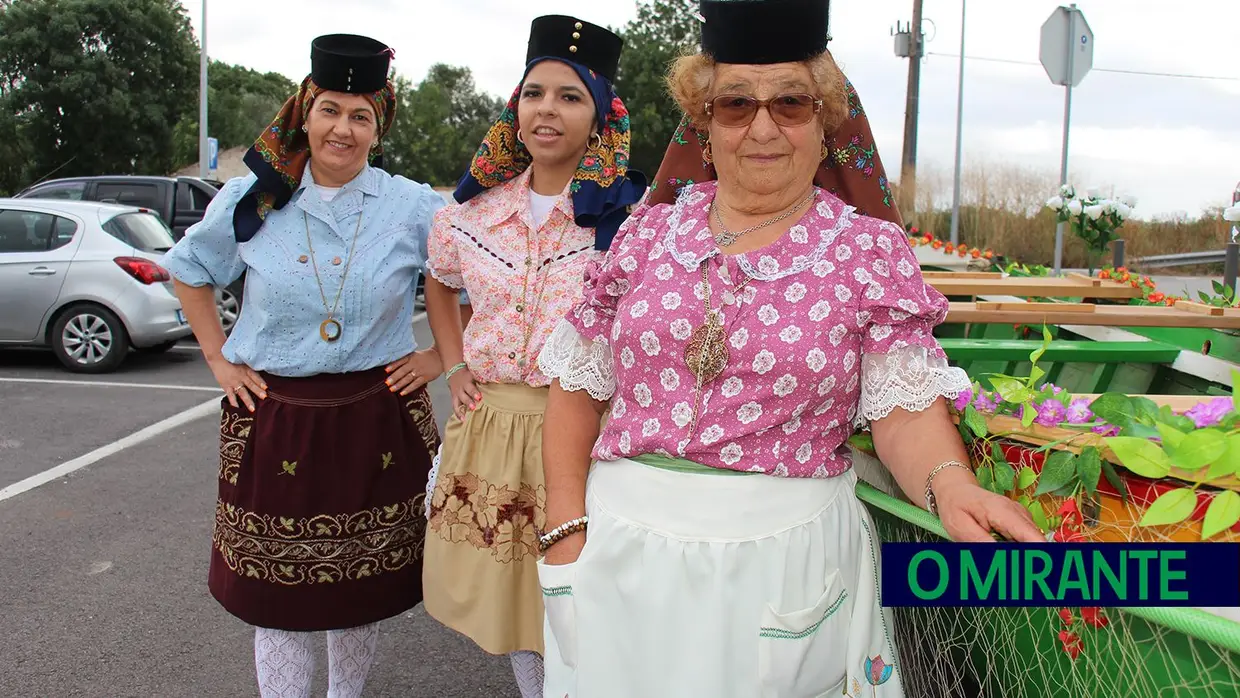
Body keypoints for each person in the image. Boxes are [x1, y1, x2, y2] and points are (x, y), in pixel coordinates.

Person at [534, 1, 1045, 696]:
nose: (764, 127)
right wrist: (565, 524)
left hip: (786, 563)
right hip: (619, 553)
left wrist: (950, 485)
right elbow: (580, 381)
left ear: (824, 119)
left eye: (791, 103)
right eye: (737, 104)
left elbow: (902, 408)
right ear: (705, 124)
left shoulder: (868, 251)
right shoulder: (646, 235)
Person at [161, 34, 446, 698]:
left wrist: (439, 356)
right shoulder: (254, 199)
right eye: (329, 110)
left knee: (358, 595)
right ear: (304, 113)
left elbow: (481, 285)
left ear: (380, 128)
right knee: (278, 603)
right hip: (275, 415)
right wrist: (218, 359)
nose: (341, 129)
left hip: (376, 417)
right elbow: (189, 271)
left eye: (360, 115)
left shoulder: (414, 208)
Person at [419, 14, 645, 698]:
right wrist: (454, 365)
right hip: (491, 427)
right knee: (508, 601)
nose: (548, 109)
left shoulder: (631, 219)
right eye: (535, 93)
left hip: (585, 434)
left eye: (571, 96)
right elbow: (440, 280)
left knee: (580, 590)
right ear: (515, 107)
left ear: (601, 116)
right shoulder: (469, 212)